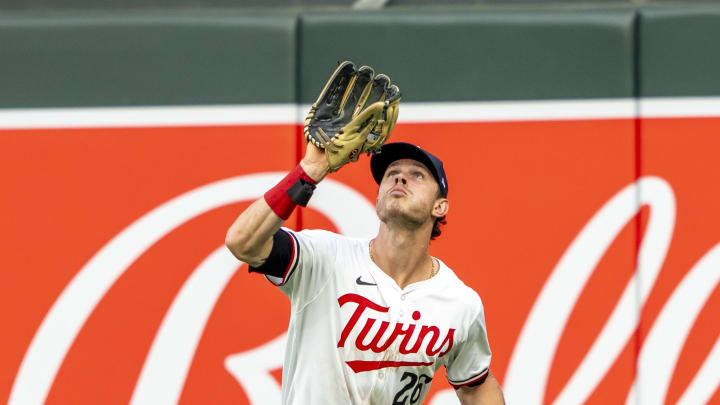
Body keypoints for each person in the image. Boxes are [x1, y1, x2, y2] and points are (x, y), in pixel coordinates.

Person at [225, 140, 505, 404]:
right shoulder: (325, 257)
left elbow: (476, 384)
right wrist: (307, 172)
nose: (400, 178)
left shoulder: (459, 302)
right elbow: (242, 242)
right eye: (391, 173)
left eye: (417, 175)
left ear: (439, 206)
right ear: (379, 197)